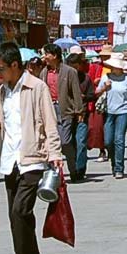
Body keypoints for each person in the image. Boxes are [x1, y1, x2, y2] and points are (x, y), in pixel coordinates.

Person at [0, 42, 64, 254]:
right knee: (17, 216)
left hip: (32, 159)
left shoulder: (36, 88)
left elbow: (50, 123)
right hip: (9, 160)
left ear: (15, 65)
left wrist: (55, 153)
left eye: (1, 68)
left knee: (20, 211)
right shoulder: (2, 91)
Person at [40, 43, 85, 178]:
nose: (45, 57)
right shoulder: (44, 72)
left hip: (65, 109)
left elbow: (76, 92)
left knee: (65, 142)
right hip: (49, 109)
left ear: (54, 56)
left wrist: (79, 110)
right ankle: (53, 174)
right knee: (50, 142)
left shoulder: (69, 71)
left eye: (47, 54)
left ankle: (73, 168)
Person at [97, 55, 127, 179]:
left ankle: (119, 168)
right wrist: (105, 87)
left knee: (119, 139)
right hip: (109, 112)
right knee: (108, 141)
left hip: (123, 111)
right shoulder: (105, 77)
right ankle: (114, 163)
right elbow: (97, 92)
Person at [65, 53, 93, 181]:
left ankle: (80, 169)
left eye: (76, 67)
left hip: (82, 115)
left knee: (81, 142)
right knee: (69, 144)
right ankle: (73, 168)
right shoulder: (64, 79)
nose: (74, 70)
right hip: (67, 115)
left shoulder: (85, 78)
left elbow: (92, 95)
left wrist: (84, 98)